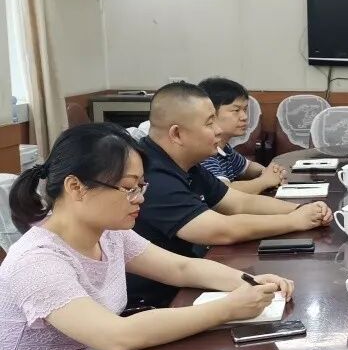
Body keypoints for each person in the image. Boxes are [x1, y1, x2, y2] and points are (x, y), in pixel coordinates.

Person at [0, 123, 295, 350]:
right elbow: (116, 336)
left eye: (141, 186)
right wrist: (227, 309)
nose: (139, 198)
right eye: (128, 188)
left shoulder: (108, 234)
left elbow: (181, 268)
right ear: (76, 187)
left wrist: (248, 281)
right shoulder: (37, 262)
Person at [127, 82, 331, 309]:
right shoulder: (152, 175)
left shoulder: (186, 163)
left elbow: (238, 202)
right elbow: (220, 230)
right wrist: (294, 221)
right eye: (209, 123)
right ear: (177, 134)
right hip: (155, 300)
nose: (218, 130)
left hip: (187, 276)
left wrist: (300, 210)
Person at [197, 77, 287, 194]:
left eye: (245, 110)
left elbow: (247, 167)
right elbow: (224, 192)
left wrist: (270, 172)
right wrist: (264, 181)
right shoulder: (205, 153)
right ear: (211, 113)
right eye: (236, 110)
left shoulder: (224, 147)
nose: (244, 117)